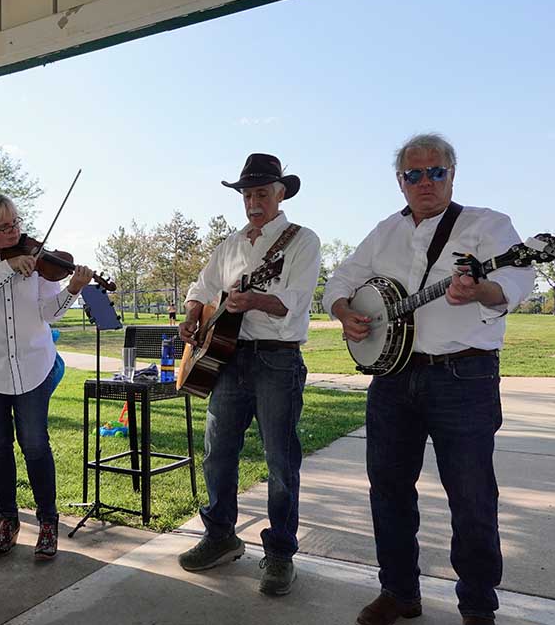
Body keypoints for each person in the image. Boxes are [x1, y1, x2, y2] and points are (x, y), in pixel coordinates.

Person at [323, 134, 535, 625]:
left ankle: (478, 605)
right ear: (400, 182)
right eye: (413, 175)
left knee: (472, 496)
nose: (425, 182)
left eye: (435, 171)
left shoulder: (488, 224)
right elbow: (342, 278)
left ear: (452, 175)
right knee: (388, 490)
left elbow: (518, 280)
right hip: (392, 379)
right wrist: (344, 312)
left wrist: (482, 290)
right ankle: (399, 592)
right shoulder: (383, 232)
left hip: (463, 376)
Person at [177, 153, 321, 597]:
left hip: (277, 360)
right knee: (217, 453)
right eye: (247, 194)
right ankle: (220, 534)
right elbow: (202, 289)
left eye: (262, 193)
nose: (253, 201)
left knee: (280, 460)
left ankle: (279, 553)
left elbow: (294, 300)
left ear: (281, 194)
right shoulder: (231, 243)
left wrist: (254, 301)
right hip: (226, 358)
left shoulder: (301, 241)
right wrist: (190, 318)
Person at [0, 192, 93, 560]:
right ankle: (8, 521)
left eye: (17, 222)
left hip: (33, 363)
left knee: (34, 443)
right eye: (5, 226)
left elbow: (50, 313)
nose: (16, 231)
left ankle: (48, 523)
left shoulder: (39, 259)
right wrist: (7, 268)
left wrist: (72, 290)